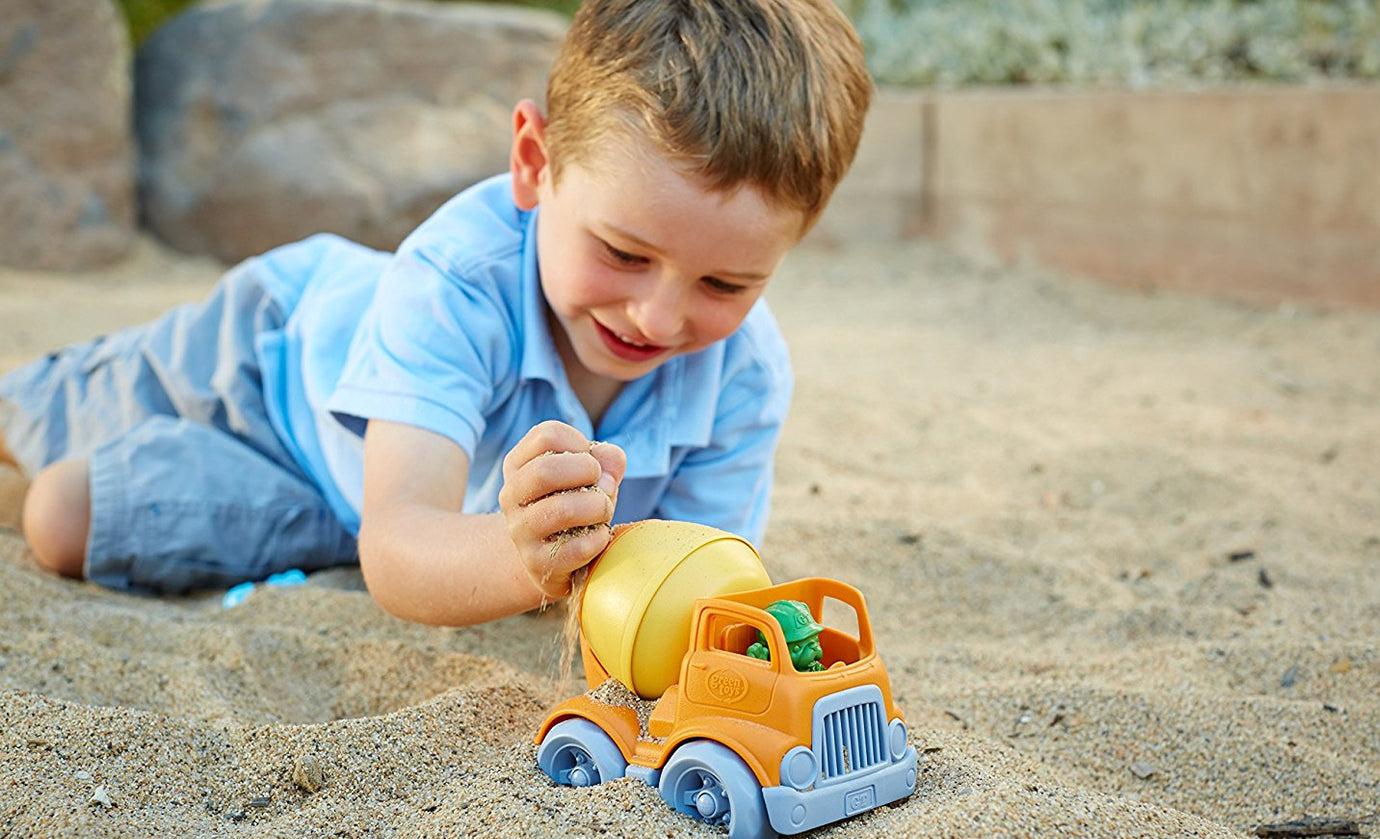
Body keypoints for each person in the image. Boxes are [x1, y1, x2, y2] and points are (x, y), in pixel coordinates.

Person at [0, 0, 873, 626]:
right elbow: (401, 547)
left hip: (338, 503)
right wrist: (520, 559)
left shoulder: (745, 375)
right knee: (27, 420)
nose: (656, 314)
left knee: (63, 519)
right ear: (534, 163)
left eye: (725, 285)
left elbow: (695, 579)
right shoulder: (456, 279)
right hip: (267, 366)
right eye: (623, 252)